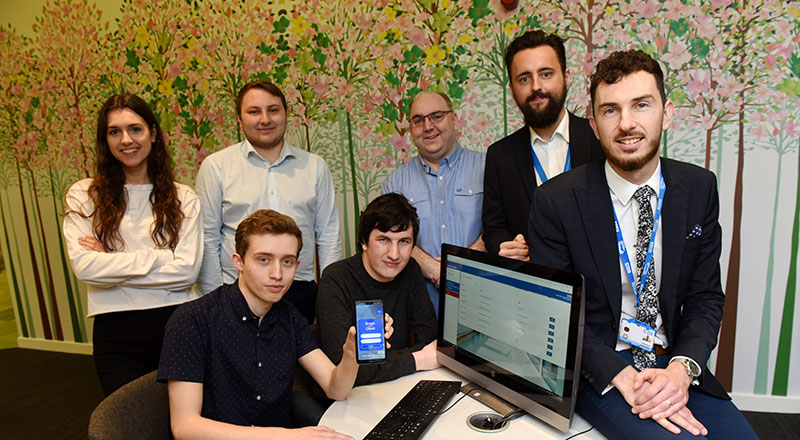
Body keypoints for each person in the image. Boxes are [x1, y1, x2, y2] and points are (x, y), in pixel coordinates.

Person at [529, 49, 757, 439]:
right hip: (600, 366)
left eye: (641, 105)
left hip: (674, 362)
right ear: (594, 124)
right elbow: (557, 312)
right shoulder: (556, 201)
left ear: (666, 113)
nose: (627, 124)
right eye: (610, 110)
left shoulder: (699, 188)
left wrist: (681, 370)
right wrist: (622, 377)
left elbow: (705, 298)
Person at [158, 209, 392, 438]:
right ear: (238, 262)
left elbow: (335, 388)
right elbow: (185, 427)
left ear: (297, 266)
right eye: (263, 260)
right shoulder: (191, 320)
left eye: (287, 262)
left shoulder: (289, 317)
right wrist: (289, 436)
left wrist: (352, 352)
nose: (277, 273)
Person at [63, 94, 202, 396]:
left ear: (153, 133)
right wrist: (161, 257)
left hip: (178, 324)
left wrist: (111, 262)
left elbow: (187, 273)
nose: (126, 139)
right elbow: (85, 267)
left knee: (182, 423)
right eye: (114, 131)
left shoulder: (183, 197)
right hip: (116, 333)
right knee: (128, 422)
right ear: (105, 140)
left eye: (135, 129)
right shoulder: (84, 195)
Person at [196, 80, 341, 324]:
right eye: (254, 111)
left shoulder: (314, 166)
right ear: (239, 120)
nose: (265, 119)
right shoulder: (216, 167)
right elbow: (207, 238)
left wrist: (329, 297)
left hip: (299, 291)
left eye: (273, 110)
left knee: (298, 362)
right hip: (236, 291)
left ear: (286, 115)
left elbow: (329, 236)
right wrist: (214, 298)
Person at [482, 30, 603, 261]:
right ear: (512, 90)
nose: (536, 86)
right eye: (524, 78)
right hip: (533, 287)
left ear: (566, 77)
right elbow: (493, 228)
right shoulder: (499, 156)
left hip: (595, 288)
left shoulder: (598, 139)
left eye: (546, 74)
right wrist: (506, 246)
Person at [317, 193, 439, 386]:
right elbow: (341, 368)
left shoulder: (410, 270)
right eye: (384, 240)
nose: (394, 254)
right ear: (364, 242)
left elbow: (431, 343)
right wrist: (416, 359)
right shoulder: (336, 278)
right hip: (349, 398)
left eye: (404, 242)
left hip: (398, 385)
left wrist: (381, 364)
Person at [381, 91, 485, 316]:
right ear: (411, 129)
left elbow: (500, 225)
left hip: (483, 303)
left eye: (437, 116)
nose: (428, 126)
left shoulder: (488, 169)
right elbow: (388, 241)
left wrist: (462, 267)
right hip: (420, 310)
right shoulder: (394, 184)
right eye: (418, 120)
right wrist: (436, 269)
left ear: (454, 119)